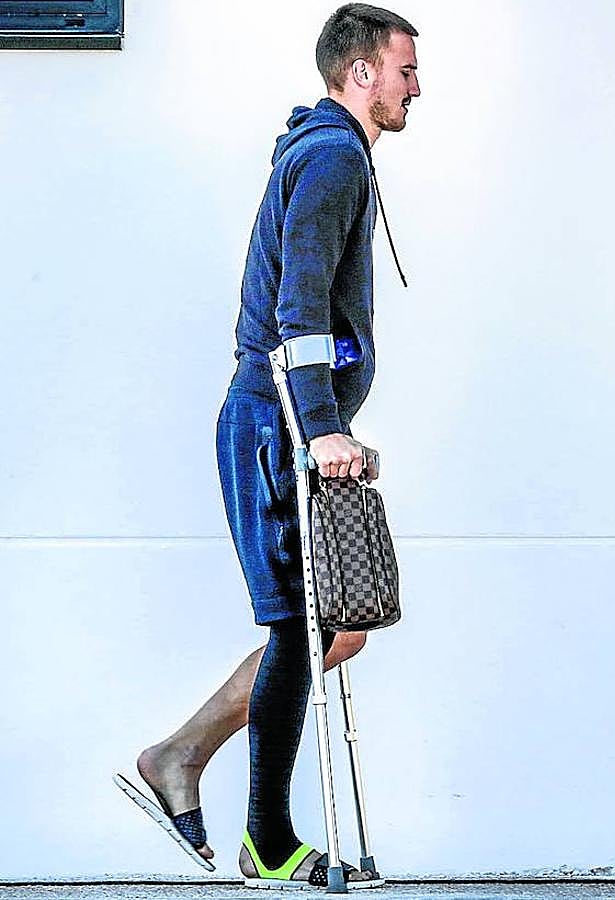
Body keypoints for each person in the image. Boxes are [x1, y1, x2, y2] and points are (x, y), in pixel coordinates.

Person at [116, 2, 420, 887]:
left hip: (283, 418)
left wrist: (331, 424)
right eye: (404, 70)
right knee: (302, 624)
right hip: (272, 422)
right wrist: (321, 427)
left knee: (335, 629)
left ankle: (180, 753)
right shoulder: (332, 156)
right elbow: (299, 309)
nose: (416, 88)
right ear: (359, 72)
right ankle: (267, 840)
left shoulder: (332, 152)